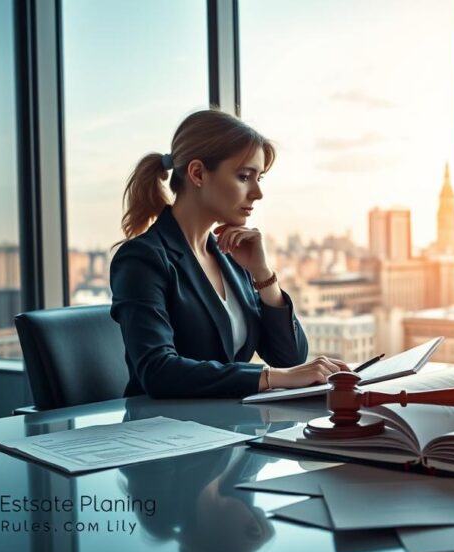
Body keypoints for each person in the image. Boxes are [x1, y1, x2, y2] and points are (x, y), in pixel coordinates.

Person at [110, 109, 348, 398]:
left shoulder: (232, 259)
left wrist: (263, 274)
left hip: (227, 426)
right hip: (162, 434)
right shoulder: (142, 259)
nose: (258, 193)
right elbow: (158, 371)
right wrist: (271, 377)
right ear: (197, 173)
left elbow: (290, 359)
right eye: (245, 176)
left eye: (259, 178)